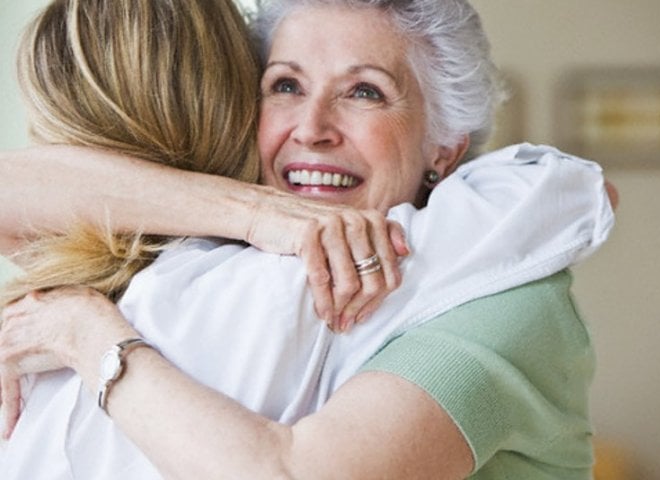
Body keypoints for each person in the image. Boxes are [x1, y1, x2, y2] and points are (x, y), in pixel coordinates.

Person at [0, 0, 615, 478]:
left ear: (444, 145)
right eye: (286, 85)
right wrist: (260, 213)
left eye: (365, 91)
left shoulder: (503, 296)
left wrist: (85, 332)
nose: (312, 127)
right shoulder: (214, 261)